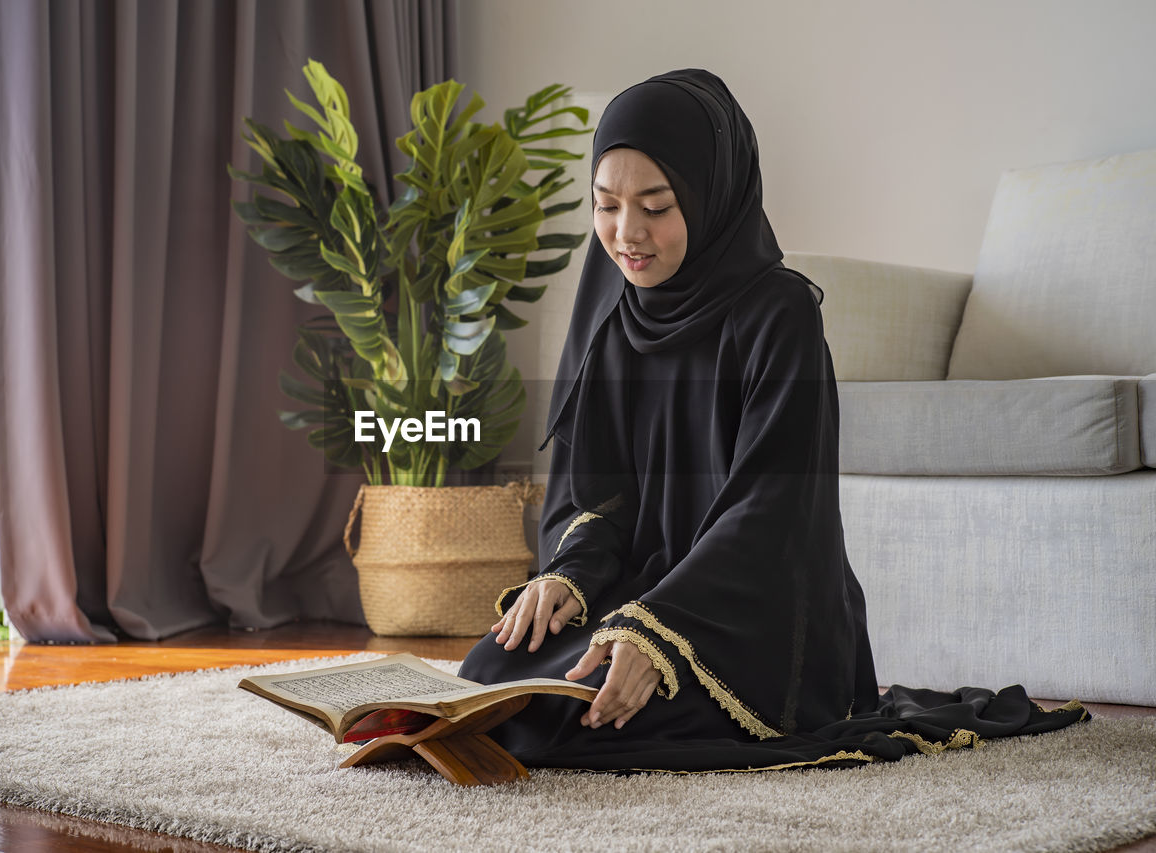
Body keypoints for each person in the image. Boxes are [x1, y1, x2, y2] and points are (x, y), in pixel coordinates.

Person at [457, 68, 1089, 773]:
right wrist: (568, 576)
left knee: (564, 718)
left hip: (758, 612)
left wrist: (659, 631)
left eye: (656, 206)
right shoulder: (612, 309)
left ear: (710, 194)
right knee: (487, 681)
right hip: (645, 586)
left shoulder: (777, 314)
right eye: (606, 205)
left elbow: (773, 510)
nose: (625, 234)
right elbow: (603, 495)